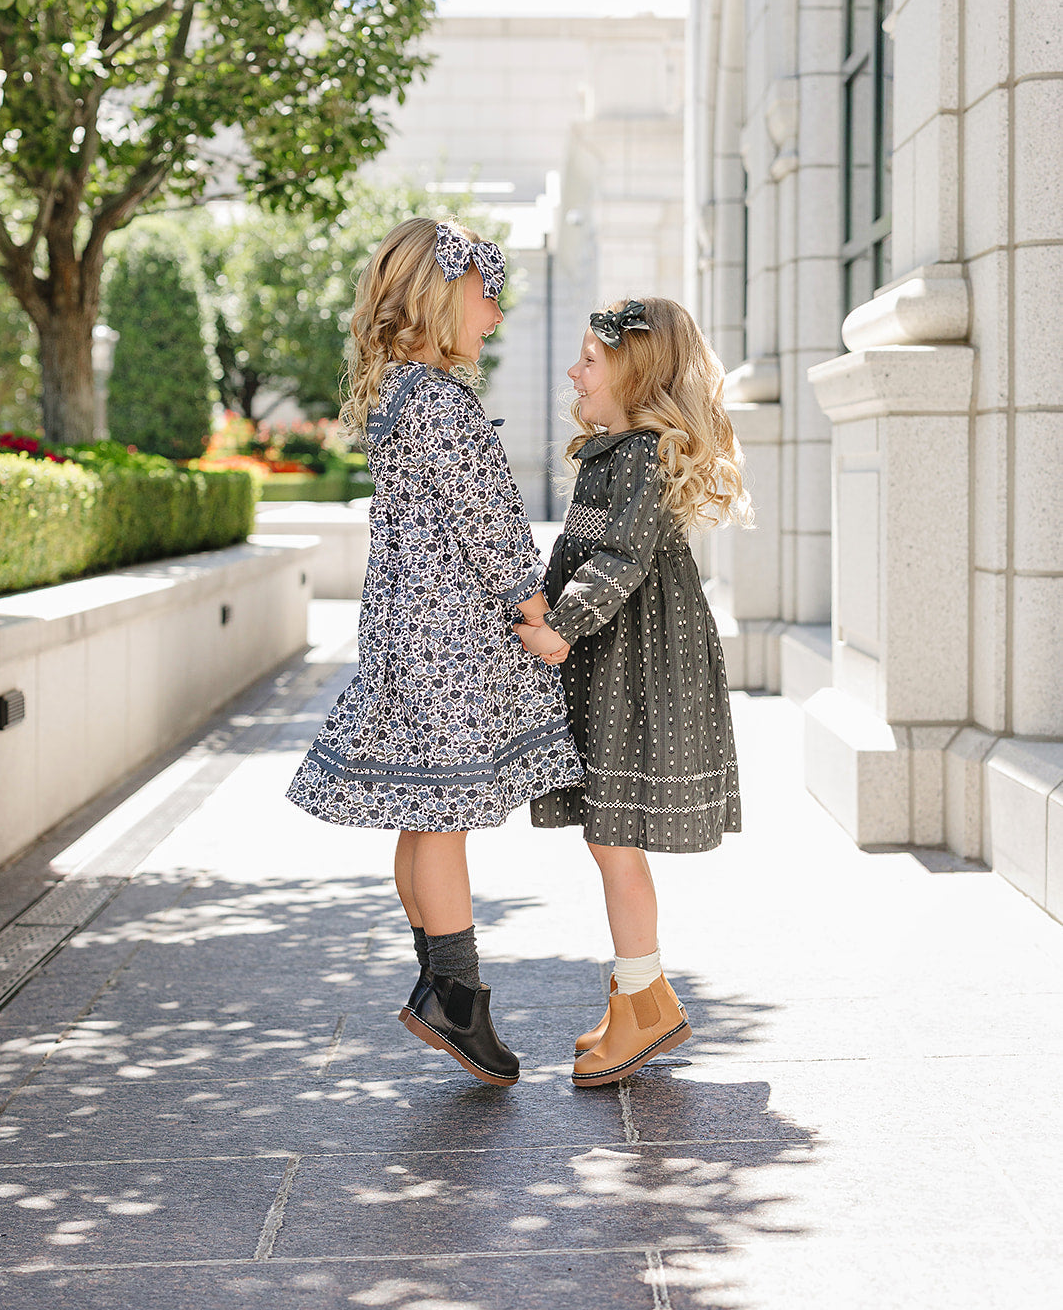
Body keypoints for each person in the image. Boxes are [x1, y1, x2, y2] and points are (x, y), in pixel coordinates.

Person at [288, 217, 583, 1088]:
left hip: (405, 631)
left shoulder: (398, 392)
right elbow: (488, 522)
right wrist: (533, 609)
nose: (495, 316)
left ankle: (438, 985)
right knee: (445, 813)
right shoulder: (441, 403)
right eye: (486, 296)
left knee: (422, 811)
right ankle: (455, 996)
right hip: (447, 636)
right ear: (440, 297)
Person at [516, 297, 752, 1088]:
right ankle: (635, 996)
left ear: (636, 375)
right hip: (614, 662)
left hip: (635, 669)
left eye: (590, 360)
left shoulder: (642, 454)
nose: (573, 372)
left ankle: (645, 1001)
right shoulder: (612, 452)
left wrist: (560, 627)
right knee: (606, 836)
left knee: (614, 838)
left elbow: (618, 559)